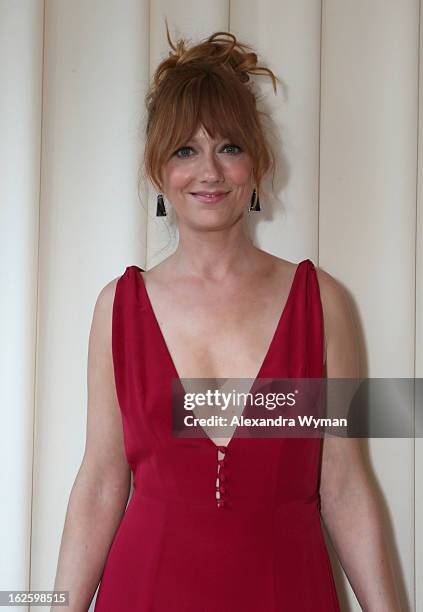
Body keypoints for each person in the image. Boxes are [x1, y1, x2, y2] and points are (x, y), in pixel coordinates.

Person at [52, 23, 401, 612]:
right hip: (146, 592)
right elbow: (100, 482)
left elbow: (343, 485)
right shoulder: (118, 307)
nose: (209, 171)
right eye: (186, 150)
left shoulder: (322, 303)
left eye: (229, 147)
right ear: (158, 171)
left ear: (256, 164)